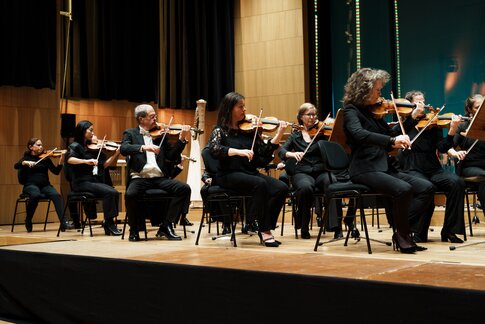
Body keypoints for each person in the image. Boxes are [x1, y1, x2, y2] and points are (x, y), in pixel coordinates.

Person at [342, 68, 435, 253]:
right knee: (404, 189)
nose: (380, 95)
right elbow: (359, 134)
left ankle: (401, 228)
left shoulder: (374, 112)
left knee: (426, 187)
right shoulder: (350, 111)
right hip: (365, 169)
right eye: (377, 90)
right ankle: (403, 234)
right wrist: (392, 141)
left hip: (384, 167)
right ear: (364, 90)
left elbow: (389, 133)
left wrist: (411, 120)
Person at [208, 91, 288, 247]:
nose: (244, 110)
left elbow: (263, 154)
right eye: (240, 107)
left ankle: (265, 225)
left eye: (244, 107)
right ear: (230, 108)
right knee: (260, 184)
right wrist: (238, 151)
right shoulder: (219, 131)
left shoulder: (249, 132)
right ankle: (265, 231)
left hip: (248, 173)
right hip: (228, 175)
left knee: (281, 187)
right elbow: (214, 150)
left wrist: (279, 134)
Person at [398, 90, 465, 243]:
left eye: (424, 102)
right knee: (427, 187)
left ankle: (449, 231)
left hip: (432, 168)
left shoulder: (433, 123)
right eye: (418, 103)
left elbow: (442, 148)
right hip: (412, 168)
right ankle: (417, 232)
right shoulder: (405, 123)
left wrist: (452, 131)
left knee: (457, 183)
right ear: (410, 106)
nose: (423, 106)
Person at [120, 104, 191, 242]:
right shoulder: (130, 133)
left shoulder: (160, 135)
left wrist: (182, 139)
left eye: (155, 116)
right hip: (140, 178)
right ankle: (134, 229)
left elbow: (171, 156)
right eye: (152, 117)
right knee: (130, 194)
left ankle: (166, 224)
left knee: (184, 189)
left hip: (159, 178)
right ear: (141, 119)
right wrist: (144, 147)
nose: (155, 119)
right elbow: (124, 148)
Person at [279, 103, 344, 239]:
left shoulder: (322, 132)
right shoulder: (294, 136)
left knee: (332, 183)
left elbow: (336, 144)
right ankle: (303, 225)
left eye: (314, 114)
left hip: (321, 171)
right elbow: (282, 151)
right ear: (301, 117)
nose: (312, 117)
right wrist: (291, 154)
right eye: (309, 114)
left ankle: (336, 227)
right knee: (305, 188)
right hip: (301, 171)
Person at [66, 120, 121, 236]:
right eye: (90, 130)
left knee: (114, 192)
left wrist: (116, 153)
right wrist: (85, 161)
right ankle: (109, 224)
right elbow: (70, 160)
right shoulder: (75, 146)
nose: (93, 132)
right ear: (82, 131)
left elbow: (104, 165)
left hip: (93, 181)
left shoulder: (93, 149)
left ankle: (108, 222)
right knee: (110, 192)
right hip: (81, 182)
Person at [14, 138, 73, 232]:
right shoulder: (26, 158)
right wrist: (25, 163)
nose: (41, 147)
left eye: (41, 145)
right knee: (35, 195)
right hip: (30, 186)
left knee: (57, 195)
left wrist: (61, 161)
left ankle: (63, 223)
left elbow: (56, 172)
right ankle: (28, 219)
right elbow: (16, 166)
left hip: (45, 186)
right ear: (31, 147)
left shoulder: (45, 158)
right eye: (38, 145)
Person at [449, 94, 485, 220]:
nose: (480, 111)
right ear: (470, 109)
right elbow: (449, 145)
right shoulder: (463, 126)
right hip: (469, 166)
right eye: (477, 108)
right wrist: (456, 153)